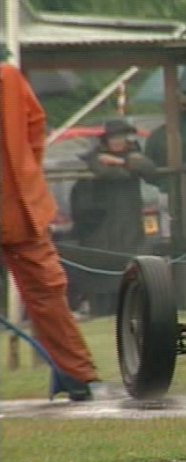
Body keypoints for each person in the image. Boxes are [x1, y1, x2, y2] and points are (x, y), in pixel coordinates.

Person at [0, 61, 99, 400]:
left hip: (19, 206)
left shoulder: (8, 78)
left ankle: (73, 373)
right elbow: (35, 127)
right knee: (47, 291)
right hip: (20, 203)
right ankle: (74, 374)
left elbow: (34, 126)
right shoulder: (8, 78)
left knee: (47, 291)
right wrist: (26, 172)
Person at [76, 118, 157, 315]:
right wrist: (129, 167)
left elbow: (150, 170)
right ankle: (103, 310)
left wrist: (121, 162)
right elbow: (104, 171)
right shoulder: (95, 156)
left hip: (130, 218)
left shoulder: (134, 153)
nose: (118, 141)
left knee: (130, 263)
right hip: (103, 221)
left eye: (121, 136)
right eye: (114, 137)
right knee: (103, 268)